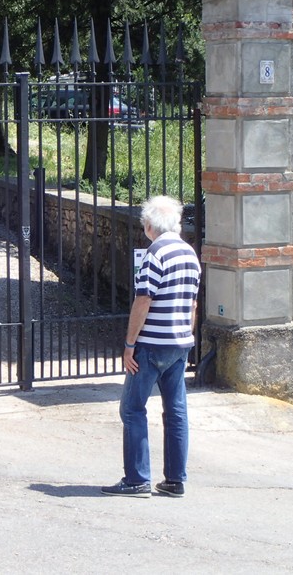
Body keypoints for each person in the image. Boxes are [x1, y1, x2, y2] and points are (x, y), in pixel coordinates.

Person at [102, 195, 201, 498]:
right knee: (176, 412)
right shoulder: (189, 253)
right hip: (179, 343)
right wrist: (185, 337)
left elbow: (143, 300)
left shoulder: (155, 254)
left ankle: (137, 479)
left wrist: (129, 344)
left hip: (150, 345)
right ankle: (175, 480)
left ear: (148, 225)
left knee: (132, 409)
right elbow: (193, 303)